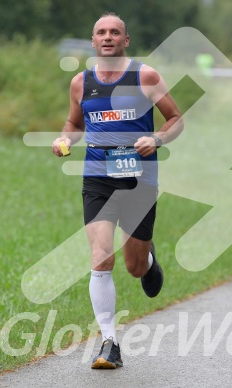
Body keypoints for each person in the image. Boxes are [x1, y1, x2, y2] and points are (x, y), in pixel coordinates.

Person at [51, 12, 183, 369]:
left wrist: (156, 138)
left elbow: (175, 119)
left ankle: (148, 259)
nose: (107, 37)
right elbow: (74, 122)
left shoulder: (145, 76)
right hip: (97, 176)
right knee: (101, 256)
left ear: (125, 40)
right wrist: (65, 138)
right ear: (93, 41)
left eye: (115, 32)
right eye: (101, 32)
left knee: (134, 267)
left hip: (140, 178)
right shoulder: (81, 82)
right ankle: (109, 342)